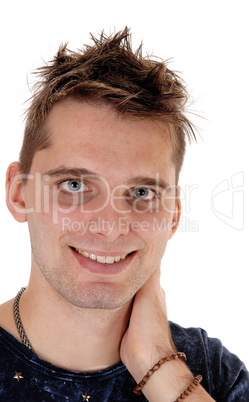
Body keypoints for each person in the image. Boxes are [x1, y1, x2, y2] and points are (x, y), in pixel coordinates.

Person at [0, 28, 248, 402]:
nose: (110, 228)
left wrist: (157, 363)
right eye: (74, 186)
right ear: (20, 194)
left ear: (174, 216)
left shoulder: (210, 373)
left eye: (142, 193)